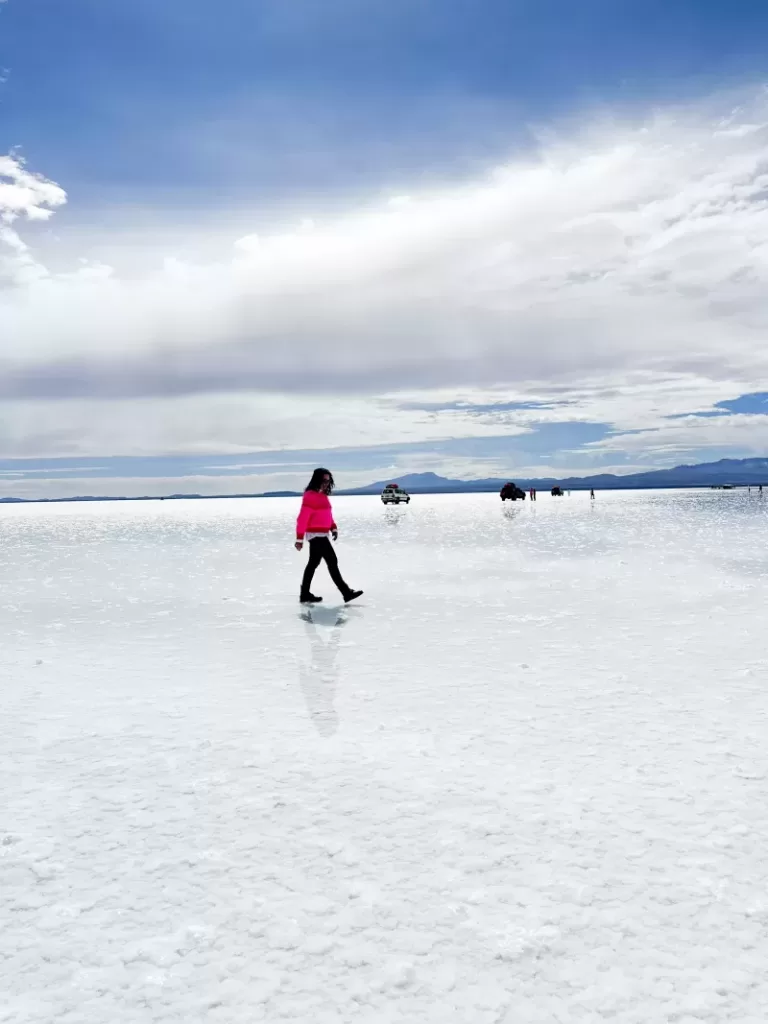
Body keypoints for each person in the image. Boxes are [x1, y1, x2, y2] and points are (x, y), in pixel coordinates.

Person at [295, 469, 363, 605]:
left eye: (328, 481)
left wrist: (333, 527)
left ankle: (304, 594)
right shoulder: (310, 496)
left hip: (323, 533)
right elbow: (302, 518)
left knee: (313, 563)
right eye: (324, 480)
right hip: (316, 535)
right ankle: (346, 592)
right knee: (332, 561)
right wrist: (299, 538)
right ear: (317, 480)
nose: (327, 483)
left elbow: (327, 515)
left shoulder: (323, 496)